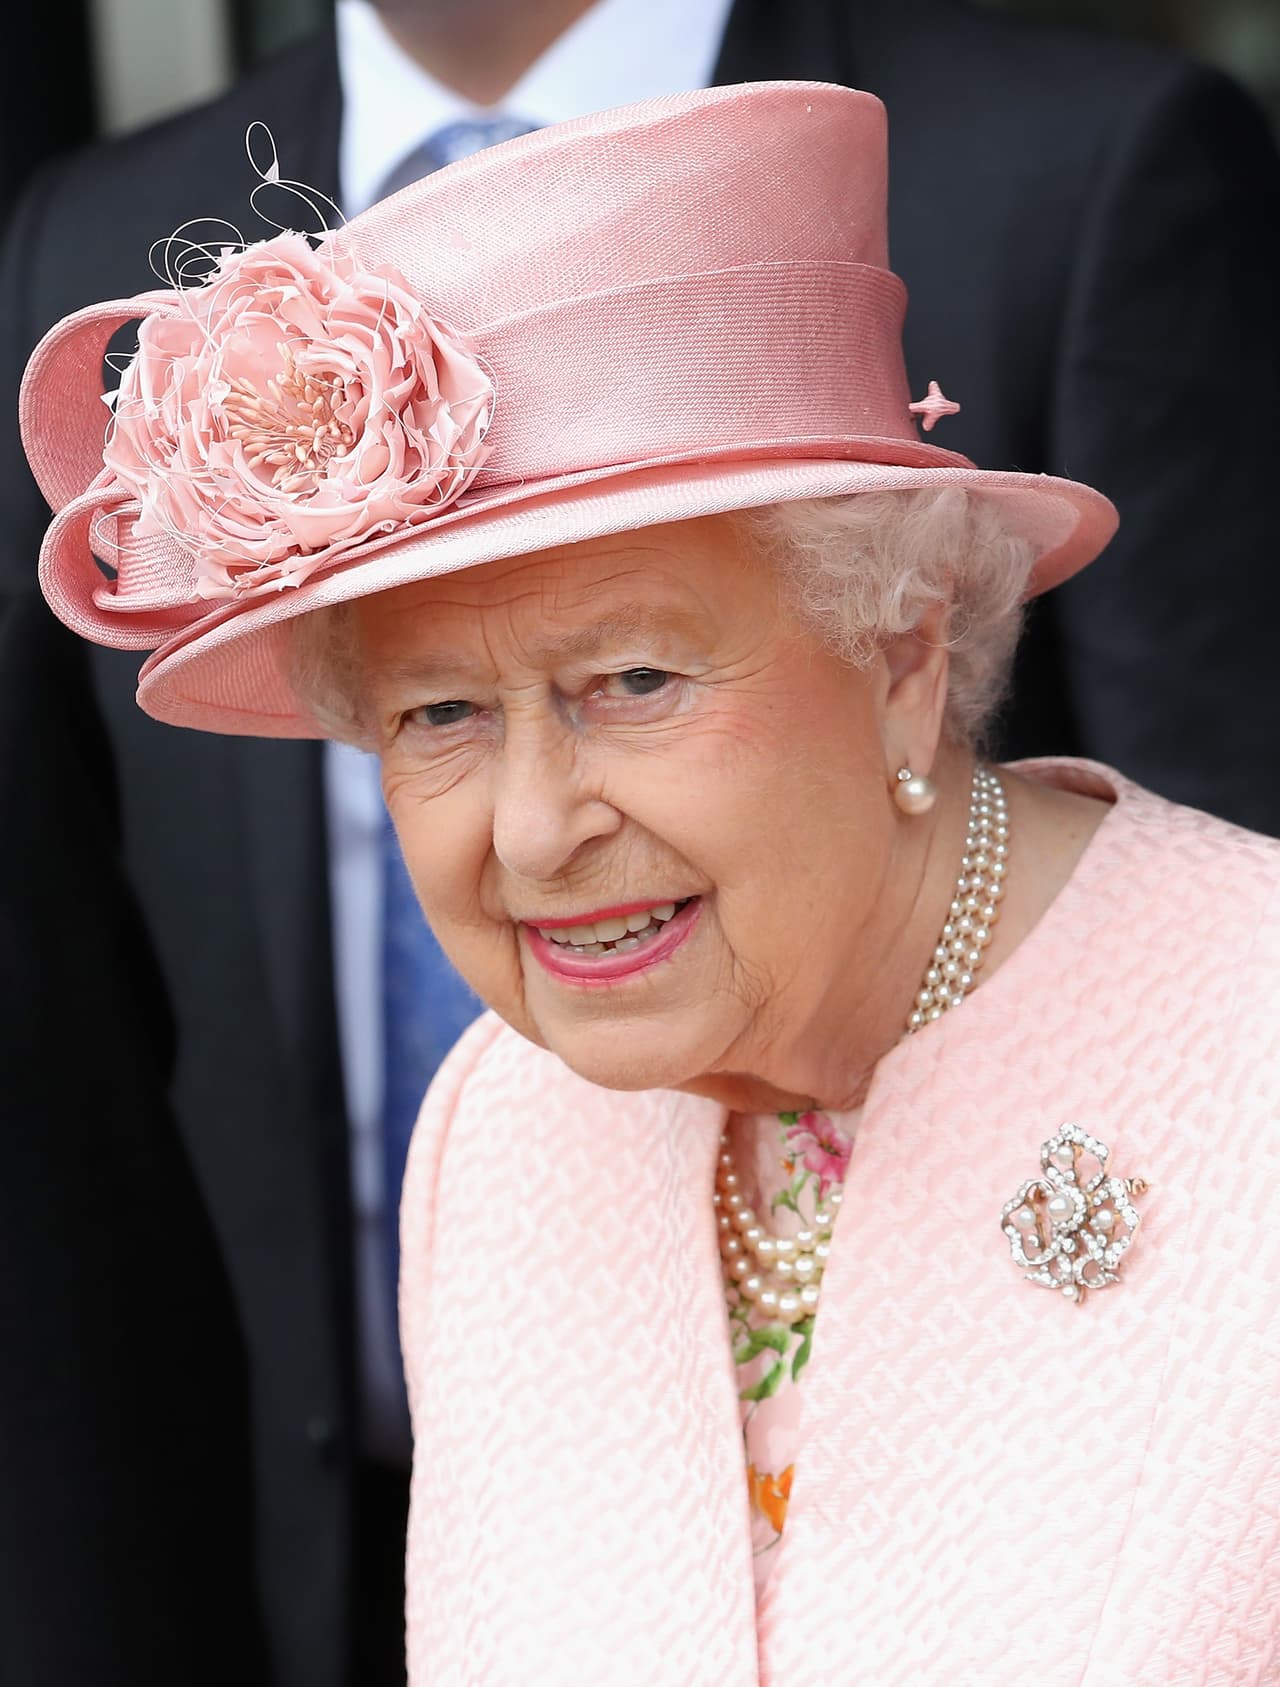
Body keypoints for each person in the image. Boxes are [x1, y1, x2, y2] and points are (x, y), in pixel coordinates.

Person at [3, 3, 1279, 1682]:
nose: (533, 829)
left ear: (900, 657)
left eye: (632, 678)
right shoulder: (497, 1143)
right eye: (437, 717)